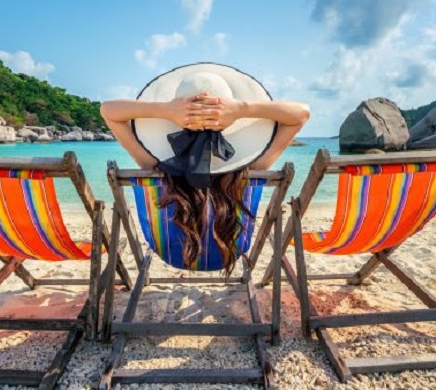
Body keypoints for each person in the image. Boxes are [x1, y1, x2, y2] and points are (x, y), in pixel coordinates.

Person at [101, 63, 309, 276]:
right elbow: (301, 114)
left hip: (173, 254)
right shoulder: (253, 167)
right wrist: (240, 109)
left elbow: (107, 110)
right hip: (228, 251)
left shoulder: (152, 166)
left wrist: (166, 110)